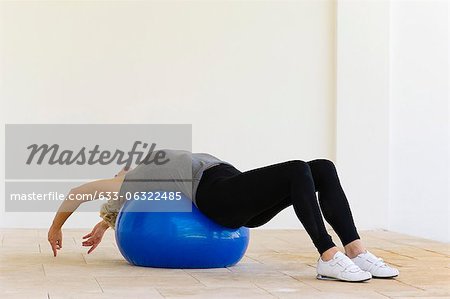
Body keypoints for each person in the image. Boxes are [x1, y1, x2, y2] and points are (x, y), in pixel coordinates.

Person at [48, 149, 399, 282]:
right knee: (295, 169)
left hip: (237, 191)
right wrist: (55, 227)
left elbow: (115, 210)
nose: (123, 169)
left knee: (320, 166)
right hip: (218, 199)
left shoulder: (149, 173)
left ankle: (356, 251)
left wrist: (103, 225)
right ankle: (327, 255)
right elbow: (81, 193)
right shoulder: (134, 180)